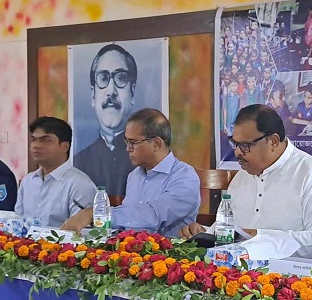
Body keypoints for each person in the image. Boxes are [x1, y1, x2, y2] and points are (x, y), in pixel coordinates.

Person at [179, 104, 312, 260]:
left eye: (245, 145)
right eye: (235, 143)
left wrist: (264, 239)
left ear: (273, 141)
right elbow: (233, 231)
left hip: (290, 275)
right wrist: (206, 233)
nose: (237, 152)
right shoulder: (242, 176)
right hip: (235, 272)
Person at [62, 108, 200, 237]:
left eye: (133, 142)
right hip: (132, 250)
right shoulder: (135, 175)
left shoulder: (185, 177)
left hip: (170, 252)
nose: (128, 149)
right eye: (126, 142)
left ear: (156, 144)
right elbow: (129, 221)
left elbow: (153, 215)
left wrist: (97, 214)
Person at [73, 43, 138, 197]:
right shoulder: (78, 162)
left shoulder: (145, 160)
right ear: (93, 95)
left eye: (120, 78)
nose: (111, 91)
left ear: (132, 92)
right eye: (103, 78)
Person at [15, 117, 96, 227]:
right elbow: (18, 222)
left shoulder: (79, 184)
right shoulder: (28, 181)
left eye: (46, 140)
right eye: (34, 139)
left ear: (65, 147)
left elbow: (81, 230)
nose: (36, 145)